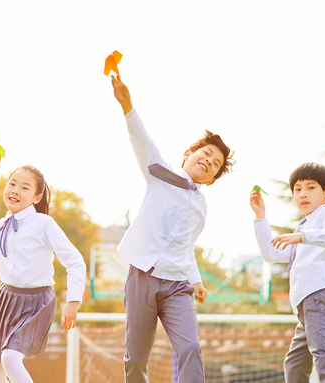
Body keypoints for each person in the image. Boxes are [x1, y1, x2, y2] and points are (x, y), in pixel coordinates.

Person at [110, 73, 234, 383]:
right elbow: (143, 142)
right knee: (136, 358)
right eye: (205, 153)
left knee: (191, 347)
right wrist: (128, 107)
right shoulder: (159, 174)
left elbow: (185, 246)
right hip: (143, 278)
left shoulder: (201, 208)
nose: (209, 160)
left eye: (215, 163)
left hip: (178, 285)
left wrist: (196, 280)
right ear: (188, 155)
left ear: (213, 179)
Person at [0, 157, 87, 383]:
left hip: (37, 302)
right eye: (12, 184)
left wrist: (72, 303)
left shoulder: (44, 224)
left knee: (11, 359)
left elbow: (75, 261)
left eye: (24, 187)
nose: (15, 190)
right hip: (6, 301)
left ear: (37, 197)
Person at [249, 162, 325, 382]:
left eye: (310, 188)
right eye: (297, 189)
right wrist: (260, 216)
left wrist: (303, 237)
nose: (302, 194)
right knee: (295, 365)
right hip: (306, 303)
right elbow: (271, 253)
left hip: (320, 294)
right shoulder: (303, 226)